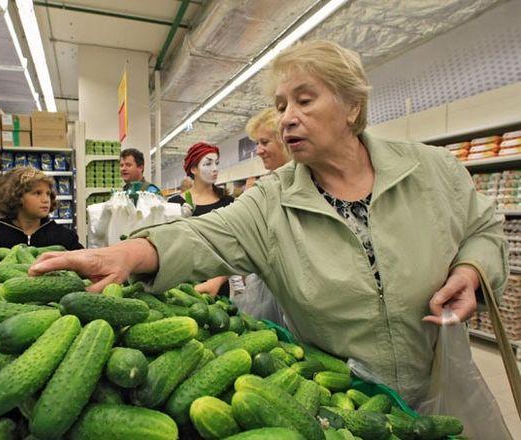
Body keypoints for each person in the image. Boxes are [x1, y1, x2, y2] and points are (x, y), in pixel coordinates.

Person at [28, 40, 508, 412]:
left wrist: (469, 271)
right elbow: (202, 235)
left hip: (441, 384)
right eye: (281, 107)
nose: (287, 120)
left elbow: (483, 228)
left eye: (304, 100)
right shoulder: (272, 201)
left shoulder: (430, 170)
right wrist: (126, 253)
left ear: (352, 107)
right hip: (342, 402)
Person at [232, 107, 293, 323]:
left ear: (285, 140)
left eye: (264, 142)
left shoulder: (303, 185)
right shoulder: (265, 188)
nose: (258, 150)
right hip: (269, 288)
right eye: (257, 143)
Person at [168, 142, 234, 296]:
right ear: (193, 169)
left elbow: (234, 247)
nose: (215, 168)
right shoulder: (175, 203)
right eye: (208, 163)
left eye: (216, 163)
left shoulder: (227, 202)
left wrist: (218, 280)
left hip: (218, 281)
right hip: (184, 283)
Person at [0, 167, 82, 255]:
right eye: (37, 193)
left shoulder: (64, 237)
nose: (45, 200)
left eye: (48, 194)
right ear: (16, 197)